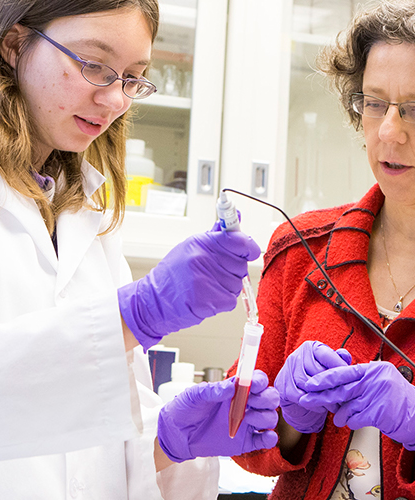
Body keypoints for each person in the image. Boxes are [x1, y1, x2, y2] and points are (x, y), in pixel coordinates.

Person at [0, 1, 279, 498]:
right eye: (93, 64)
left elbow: (95, 459)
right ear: (15, 44)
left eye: (132, 77)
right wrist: (132, 317)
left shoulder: (87, 214)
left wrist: (171, 442)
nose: (114, 100)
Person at [229, 0, 415, 499]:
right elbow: (236, 438)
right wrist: (288, 416)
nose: (389, 132)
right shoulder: (299, 251)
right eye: (374, 103)